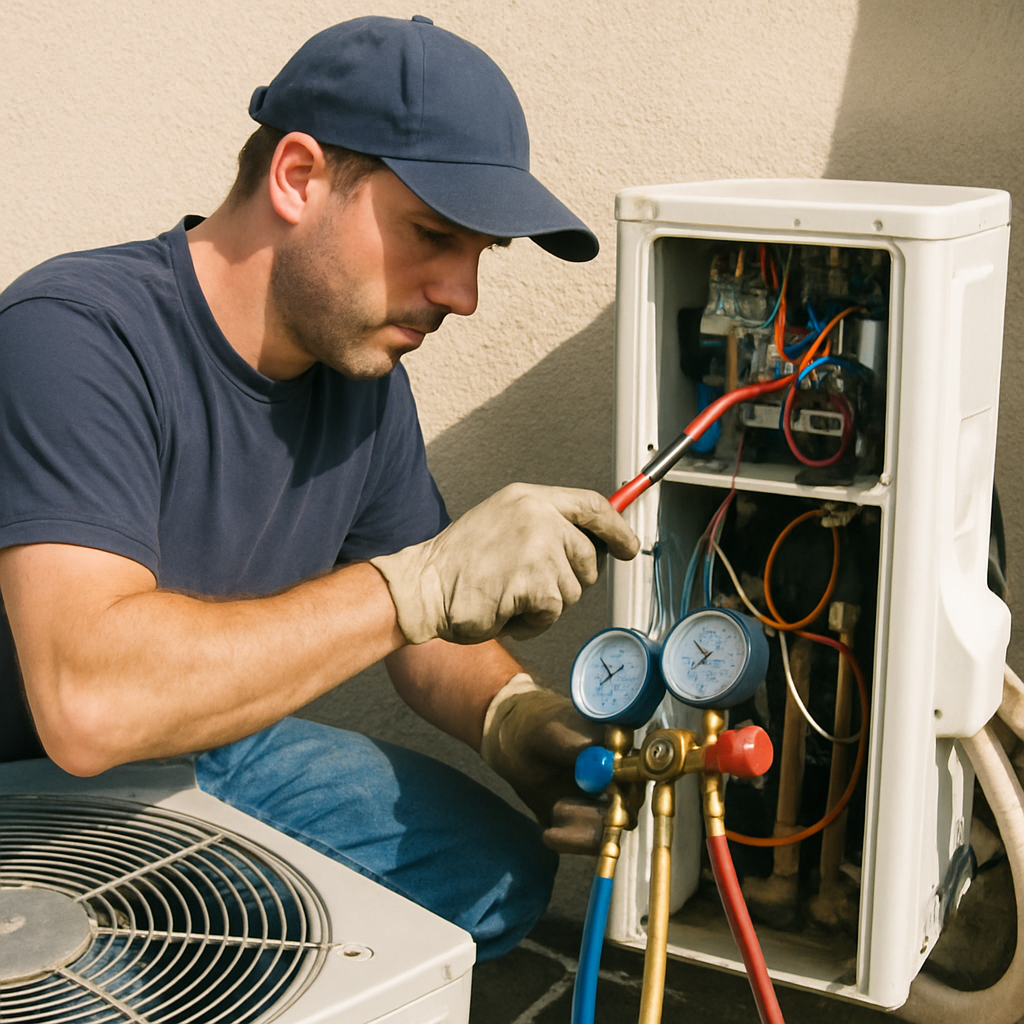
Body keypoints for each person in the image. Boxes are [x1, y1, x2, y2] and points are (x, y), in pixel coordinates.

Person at [0, 15, 638, 959]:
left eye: (481, 256)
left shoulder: (364, 385)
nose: (463, 294)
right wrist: (411, 584)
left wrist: (515, 718)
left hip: (204, 749)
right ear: (298, 177)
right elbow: (90, 708)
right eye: (432, 234)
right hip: (27, 786)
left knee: (495, 875)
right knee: (113, 980)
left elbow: (426, 635)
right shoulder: (74, 338)